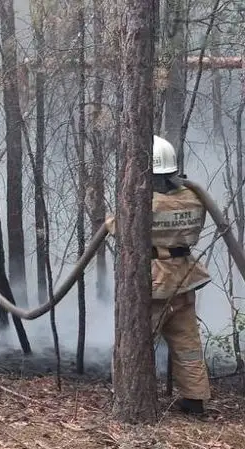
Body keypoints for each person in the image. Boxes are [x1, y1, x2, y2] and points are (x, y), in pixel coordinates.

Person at [105, 135, 211, 415]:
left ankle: (126, 397)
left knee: (136, 341)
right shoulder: (194, 198)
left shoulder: (144, 203)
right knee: (187, 342)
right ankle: (195, 399)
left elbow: (118, 228)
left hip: (152, 280)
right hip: (184, 277)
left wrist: (112, 215)